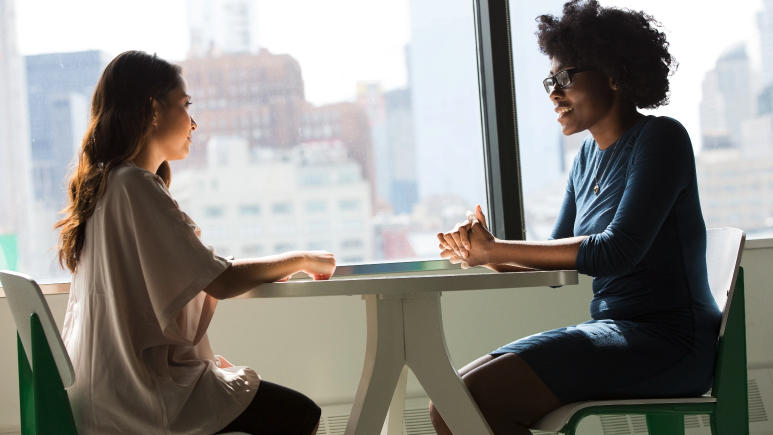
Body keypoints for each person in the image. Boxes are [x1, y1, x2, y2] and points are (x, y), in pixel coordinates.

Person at [431, 1, 720, 434]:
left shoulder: (661, 138)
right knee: (450, 408)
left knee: (468, 408)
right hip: (614, 331)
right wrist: (482, 254)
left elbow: (617, 251)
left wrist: (497, 247)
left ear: (613, 73)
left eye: (564, 77)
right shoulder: (585, 158)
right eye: (550, 80)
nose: (553, 92)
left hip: (671, 342)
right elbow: (554, 266)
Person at [57, 50, 336, 435]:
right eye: (186, 105)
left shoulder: (107, 185)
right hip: (138, 399)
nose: (195, 122)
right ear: (152, 109)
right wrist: (300, 259)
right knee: (300, 413)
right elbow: (218, 280)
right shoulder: (134, 186)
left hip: (101, 393)